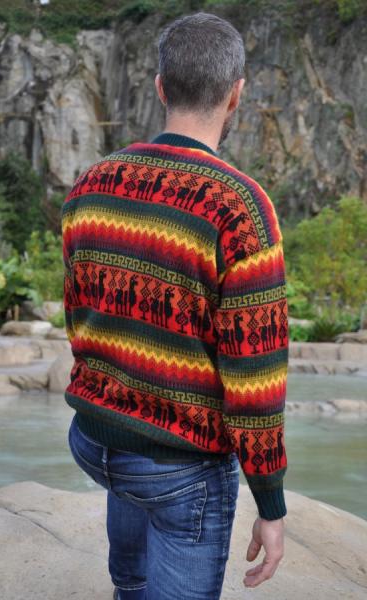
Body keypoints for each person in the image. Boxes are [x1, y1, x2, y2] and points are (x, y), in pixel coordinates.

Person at [62, 11, 288, 600]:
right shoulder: (239, 208)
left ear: (161, 87)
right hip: (178, 464)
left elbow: (79, 319)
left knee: (133, 581)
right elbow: (255, 377)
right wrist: (270, 502)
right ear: (236, 94)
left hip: (93, 439)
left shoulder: (91, 184)